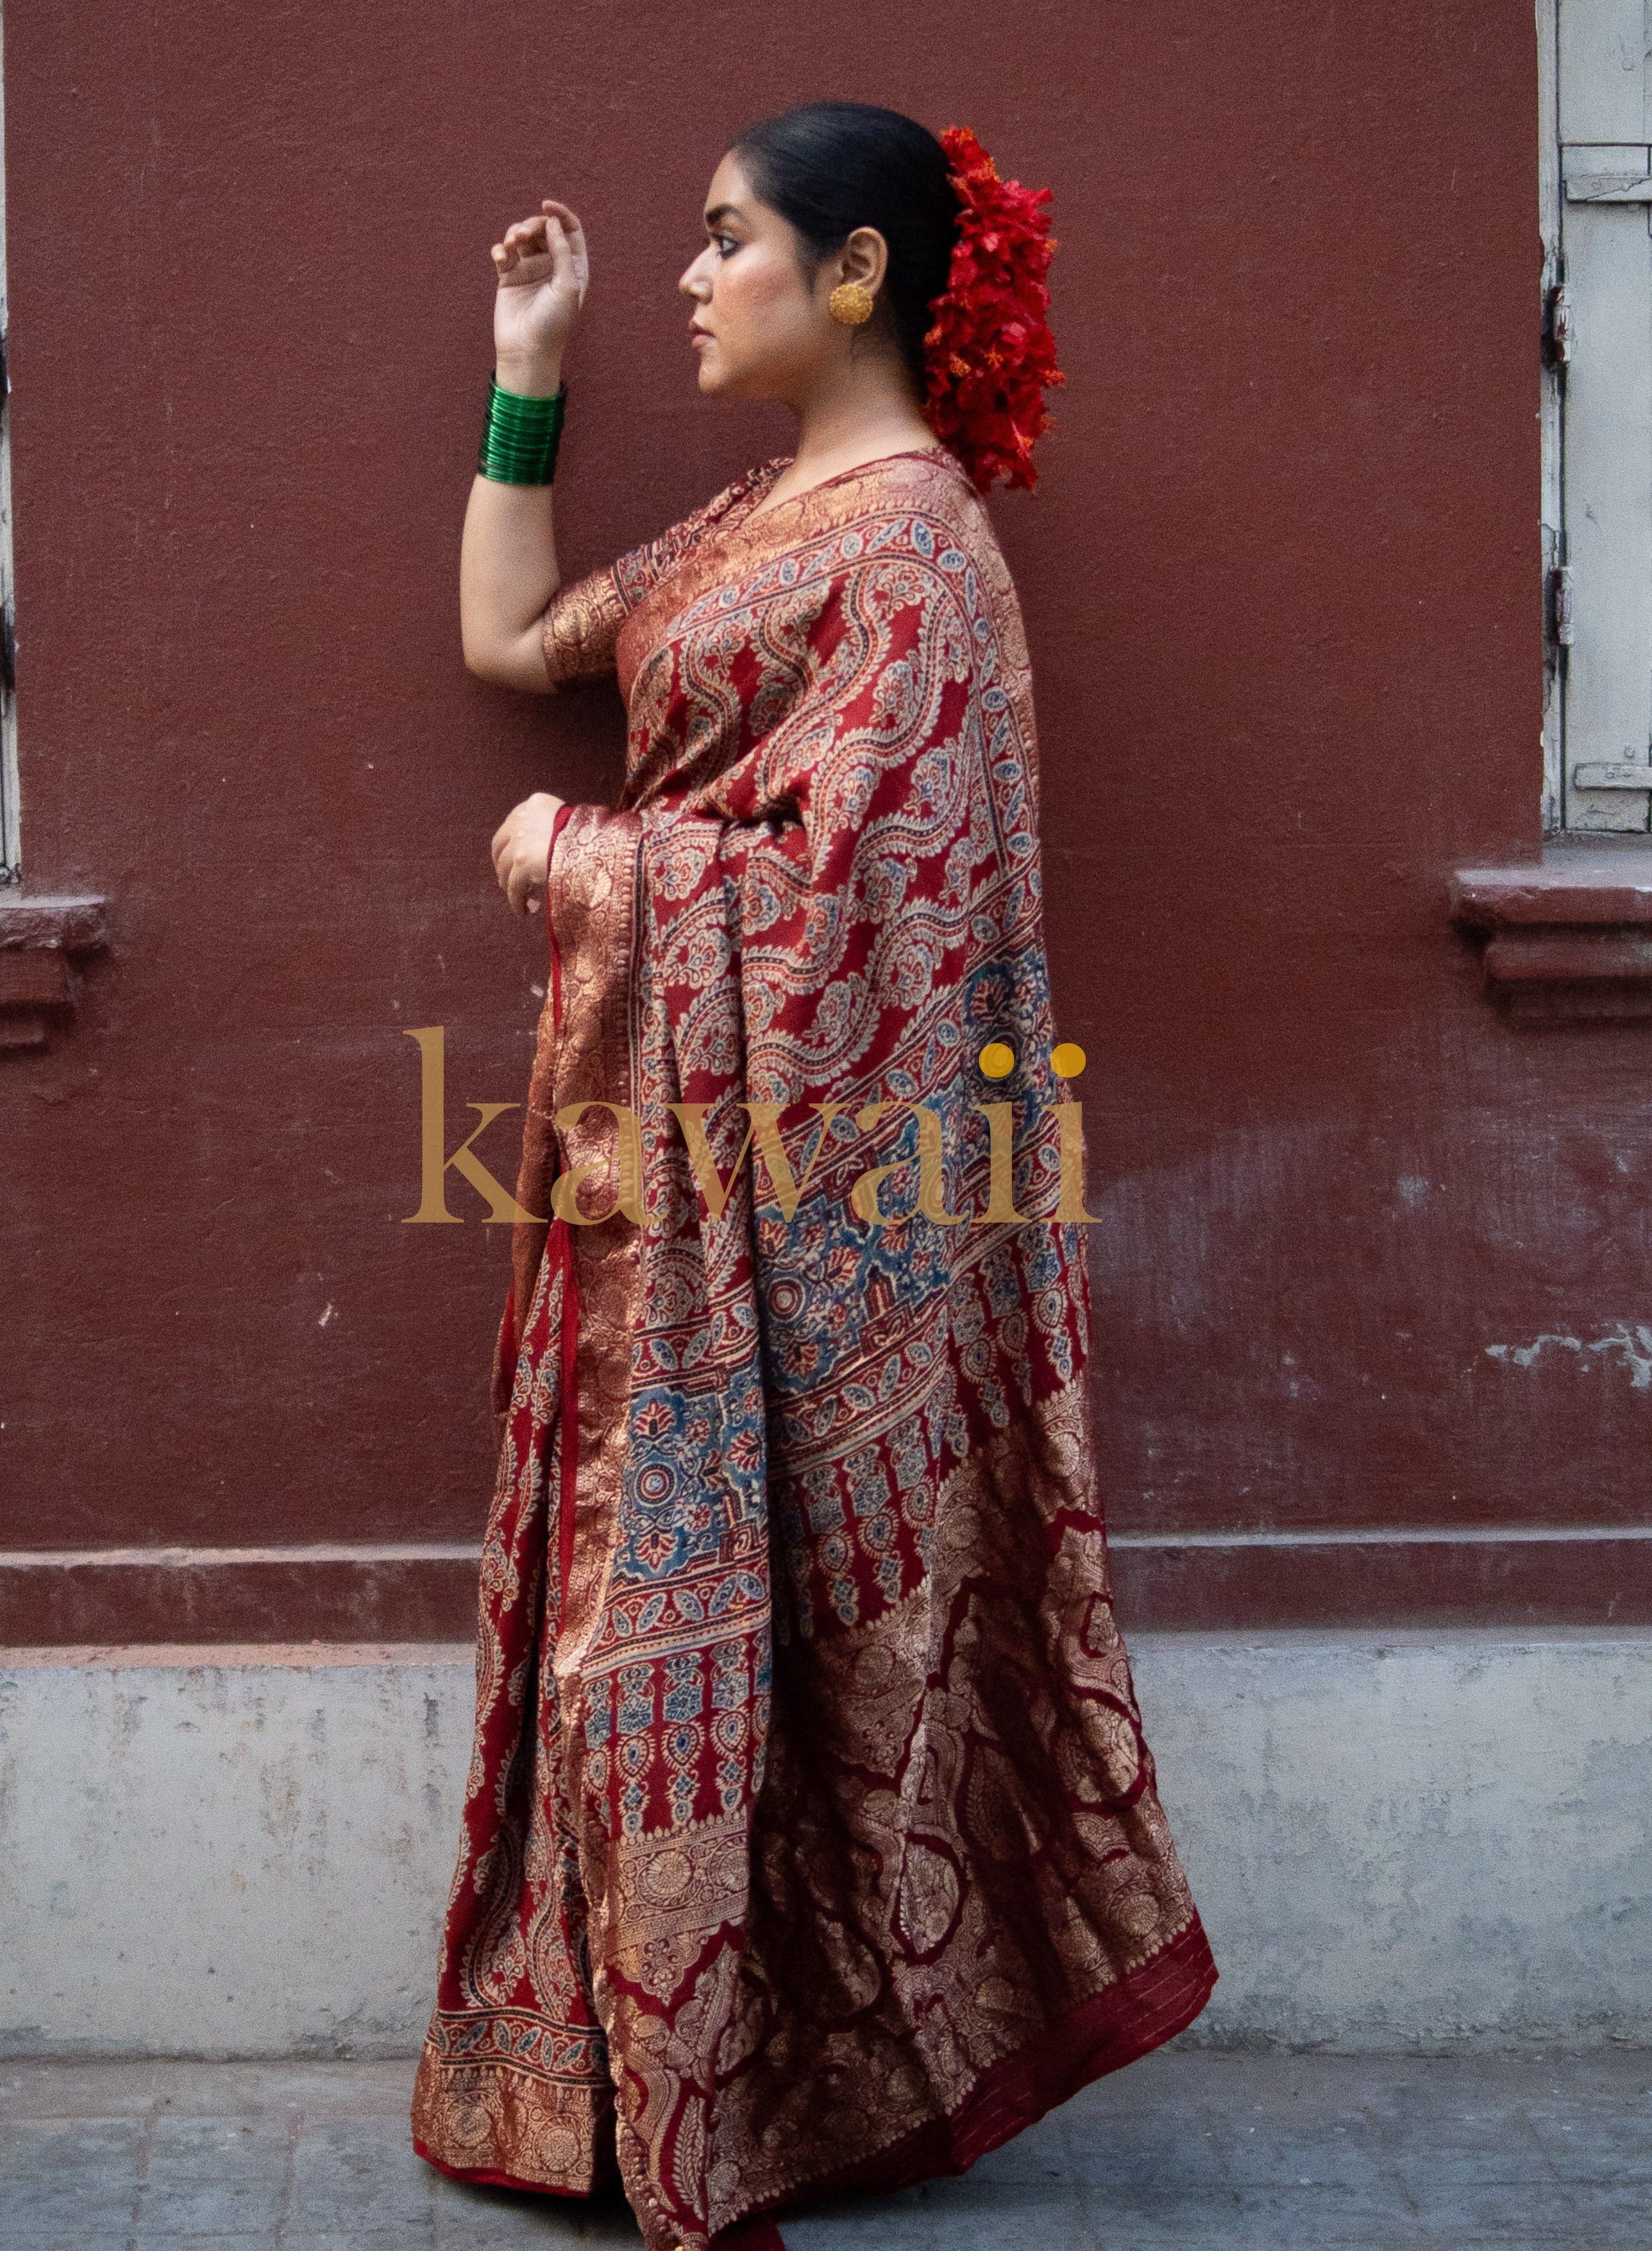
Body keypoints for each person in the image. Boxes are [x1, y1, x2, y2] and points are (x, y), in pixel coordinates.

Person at [411, 100, 1217, 2251]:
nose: (686, 274)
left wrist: (568, 859)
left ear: (853, 272)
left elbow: (859, 915)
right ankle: (621, 2071)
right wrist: (530, 368)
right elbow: (513, 648)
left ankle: (767, 2081)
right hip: (649, 1166)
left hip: (822, 1205)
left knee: (762, 1629)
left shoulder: (919, 556)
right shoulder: (755, 523)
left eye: (719, 240)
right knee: (629, 1630)